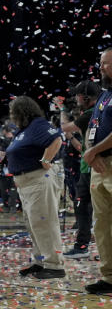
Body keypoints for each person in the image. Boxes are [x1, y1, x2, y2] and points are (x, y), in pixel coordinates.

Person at [6, 96, 65, 279]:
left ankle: (55, 265)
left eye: (13, 112)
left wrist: (46, 159)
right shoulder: (24, 130)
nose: (11, 115)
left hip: (39, 179)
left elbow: (57, 140)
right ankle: (41, 262)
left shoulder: (38, 124)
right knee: (34, 224)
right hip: (26, 183)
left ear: (22, 111)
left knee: (44, 222)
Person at [82, 49, 112, 296]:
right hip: (99, 167)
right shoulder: (103, 97)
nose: (100, 68)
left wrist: (94, 152)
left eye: (105, 64)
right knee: (101, 224)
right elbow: (92, 128)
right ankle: (109, 276)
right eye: (100, 63)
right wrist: (90, 152)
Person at [63, 80, 100, 258]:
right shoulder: (96, 112)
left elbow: (66, 128)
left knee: (84, 207)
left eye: (78, 95)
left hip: (91, 168)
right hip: (89, 167)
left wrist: (62, 110)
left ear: (85, 97)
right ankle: (83, 246)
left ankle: (82, 246)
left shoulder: (91, 114)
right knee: (84, 207)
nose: (76, 98)